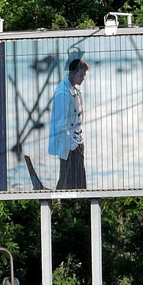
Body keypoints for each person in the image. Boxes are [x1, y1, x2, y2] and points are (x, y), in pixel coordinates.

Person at [48, 58, 89, 190]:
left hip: (75, 140)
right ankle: (61, 202)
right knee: (67, 178)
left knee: (77, 178)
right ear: (72, 73)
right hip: (68, 143)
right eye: (80, 75)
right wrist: (71, 145)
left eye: (84, 76)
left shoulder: (73, 90)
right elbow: (61, 124)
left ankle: (76, 202)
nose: (83, 79)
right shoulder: (63, 92)